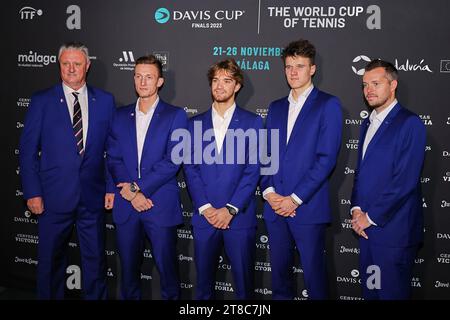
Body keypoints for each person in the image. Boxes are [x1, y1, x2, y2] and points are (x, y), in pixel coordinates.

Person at [19, 42, 115, 299]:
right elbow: (27, 151)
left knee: (95, 262)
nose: (71, 69)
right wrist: (32, 192)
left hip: (92, 198)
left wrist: (110, 187)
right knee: (50, 262)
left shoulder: (105, 101)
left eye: (77, 63)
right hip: (52, 197)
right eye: (66, 64)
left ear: (88, 65)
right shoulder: (42, 101)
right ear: (59, 66)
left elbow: (111, 150)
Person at [260, 39, 343, 300]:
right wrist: (270, 192)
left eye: (300, 66)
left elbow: (326, 159)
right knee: (279, 280)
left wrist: (294, 199)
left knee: (314, 279)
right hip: (275, 208)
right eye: (288, 67)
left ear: (312, 69)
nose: (293, 72)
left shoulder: (328, 105)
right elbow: (266, 154)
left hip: (306, 208)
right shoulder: (275, 107)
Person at [106, 55, 187, 300]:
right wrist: (131, 194)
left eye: (149, 77)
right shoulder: (119, 116)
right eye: (138, 76)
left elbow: (172, 161)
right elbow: (113, 158)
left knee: (168, 272)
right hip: (126, 205)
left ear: (160, 81)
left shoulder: (176, 115)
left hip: (159, 204)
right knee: (128, 272)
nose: (143, 81)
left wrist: (137, 189)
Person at [183, 59, 262, 299]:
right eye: (215, 80)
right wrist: (206, 208)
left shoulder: (254, 123)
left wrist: (230, 209)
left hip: (238, 219)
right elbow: (190, 169)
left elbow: (253, 170)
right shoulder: (193, 123)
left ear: (237, 86)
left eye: (226, 81)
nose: (219, 86)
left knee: (244, 289)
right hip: (204, 218)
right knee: (203, 288)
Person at [350, 59, 426, 300]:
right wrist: (356, 209)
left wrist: (369, 218)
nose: (369, 90)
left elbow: (405, 181)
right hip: (366, 230)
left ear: (393, 85)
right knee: (370, 294)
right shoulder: (367, 123)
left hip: (393, 231)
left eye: (376, 83)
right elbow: (361, 172)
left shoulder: (410, 123)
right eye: (365, 84)